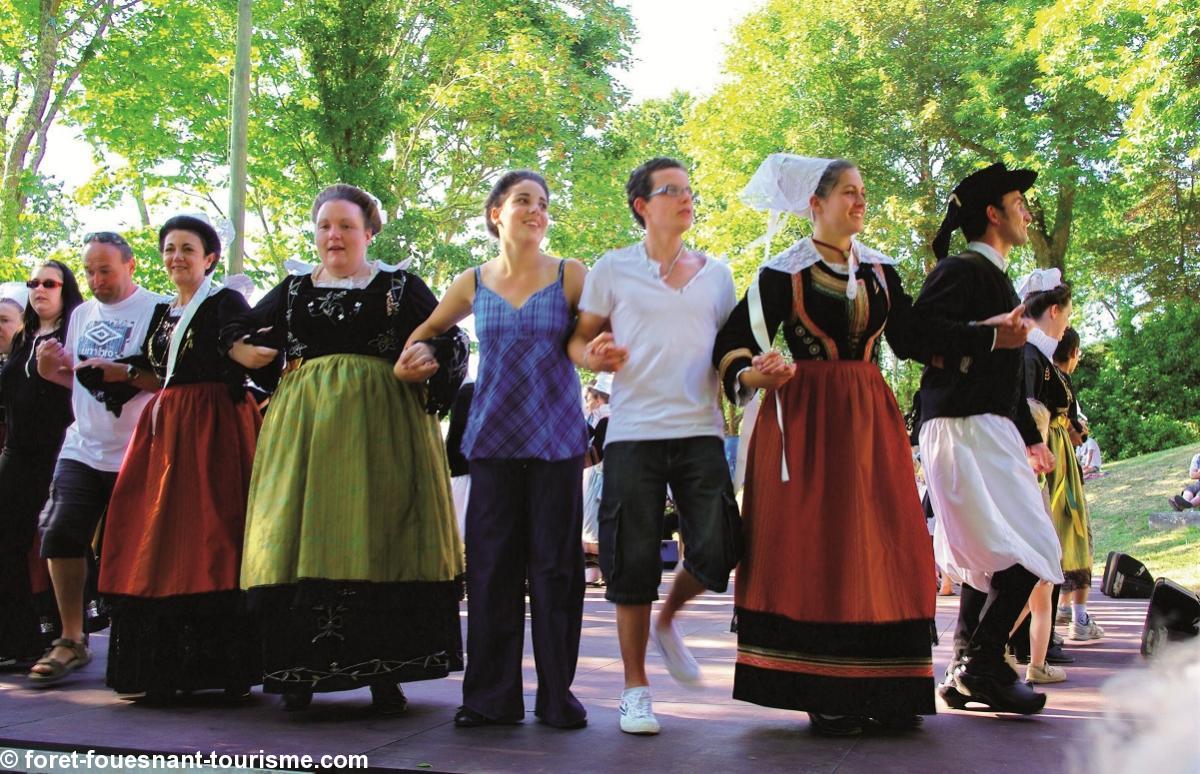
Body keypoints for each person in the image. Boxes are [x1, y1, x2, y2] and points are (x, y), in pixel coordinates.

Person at [713, 155, 935, 735]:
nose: (861, 202)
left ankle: (888, 684)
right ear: (816, 204)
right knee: (821, 545)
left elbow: (913, 337)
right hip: (808, 424)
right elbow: (735, 341)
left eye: (864, 192)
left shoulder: (883, 271)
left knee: (884, 538)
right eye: (849, 193)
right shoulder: (782, 273)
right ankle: (823, 687)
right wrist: (757, 373)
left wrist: (987, 332)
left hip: (870, 418)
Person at [229, 184, 468, 713]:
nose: (334, 235)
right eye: (324, 226)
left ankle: (387, 672)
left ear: (369, 232)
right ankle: (299, 672)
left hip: (384, 428)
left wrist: (425, 353)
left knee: (381, 532)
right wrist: (243, 349)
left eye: (346, 226)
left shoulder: (400, 288)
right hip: (304, 432)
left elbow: (451, 337)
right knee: (298, 534)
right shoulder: (292, 290)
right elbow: (240, 328)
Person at [403, 170, 590, 730]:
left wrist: (602, 347)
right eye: (523, 201)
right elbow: (425, 332)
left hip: (557, 441)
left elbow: (601, 333)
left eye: (543, 203)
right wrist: (414, 357)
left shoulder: (571, 275)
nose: (537, 210)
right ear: (496, 214)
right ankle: (489, 699)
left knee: (557, 572)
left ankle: (558, 698)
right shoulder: (473, 281)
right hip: (491, 441)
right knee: (489, 572)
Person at [568, 156, 742, 735]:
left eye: (691, 190)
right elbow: (579, 340)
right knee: (630, 561)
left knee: (719, 545)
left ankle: (669, 621)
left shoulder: (718, 275)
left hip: (700, 430)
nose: (687, 199)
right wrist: (591, 355)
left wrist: (754, 374)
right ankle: (634, 689)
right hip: (634, 433)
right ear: (642, 205)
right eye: (672, 191)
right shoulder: (612, 269)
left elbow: (729, 352)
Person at [97, 215, 274, 701]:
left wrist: (243, 351)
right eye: (170, 248)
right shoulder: (161, 314)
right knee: (155, 536)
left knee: (213, 532)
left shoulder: (223, 301)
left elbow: (240, 339)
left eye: (188, 249)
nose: (177, 257)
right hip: (167, 429)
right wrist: (116, 373)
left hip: (214, 426)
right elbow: (158, 373)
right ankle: (161, 671)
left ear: (209, 258)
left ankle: (225, 667)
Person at [916, 162, 1064, 715]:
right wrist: (986, 336)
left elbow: (1001, 372)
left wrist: (1030, 436)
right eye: (1017, 202)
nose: (1027, 211)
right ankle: (981, 664)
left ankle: (963, 669)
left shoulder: (994, 276)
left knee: (992, 557)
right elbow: (913, 333)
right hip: (962, 425)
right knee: (1033, 545)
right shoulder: (961, 270)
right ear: (992, 214)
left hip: (984, 425)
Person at [31, 233, 165, 684]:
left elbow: (172, 381)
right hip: (83, 445)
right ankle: (71, 638)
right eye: (88, 271)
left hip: (141, 448)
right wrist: (55, 374)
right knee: (59, 532)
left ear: (131, 265)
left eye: (104, 270)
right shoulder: (81, 314)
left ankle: (142, 646)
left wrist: (126, 372)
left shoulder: (158, 309)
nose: (95, 279)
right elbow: (83, 384)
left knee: (132, 552)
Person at [0, 265, 83, 668]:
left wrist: (59, 374)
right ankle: (17, 640)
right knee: (7, 544)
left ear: (66, 289)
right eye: (33, 283)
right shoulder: (21, 338)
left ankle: (65, 634)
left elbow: (93, 393)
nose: (39, 289)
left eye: (49, 283)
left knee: (57, 541)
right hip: (16, 454)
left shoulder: (75, 333)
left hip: (61, 451)